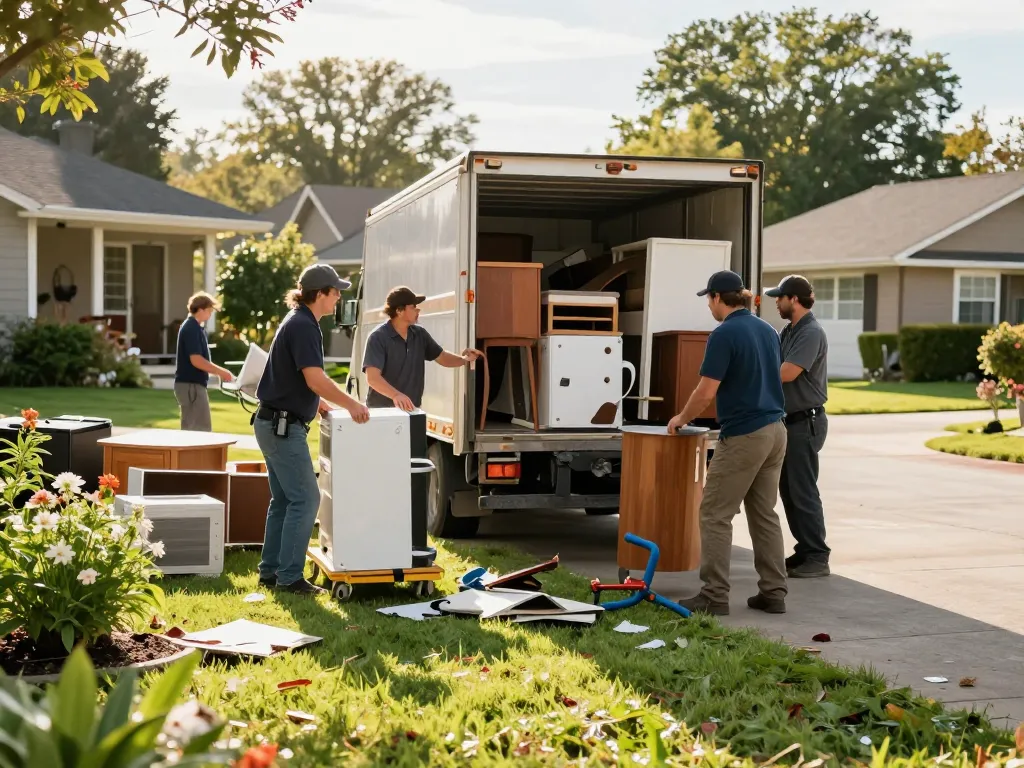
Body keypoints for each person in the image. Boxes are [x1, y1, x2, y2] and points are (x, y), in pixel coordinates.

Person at [667, 270, 789, 616]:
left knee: (714, 514)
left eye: (709, 299)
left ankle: (714, 595)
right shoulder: (767, 329)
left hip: (746, 434)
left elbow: (706, 390)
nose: (708, 306)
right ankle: (774, 592)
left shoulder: (724, 334)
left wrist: (681, 418)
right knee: (764, 514)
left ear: (719, 298)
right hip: (776, 430)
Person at [254, 264, 370, 595]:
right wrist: (352, 405)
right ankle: (289, 578)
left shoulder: (298, 321)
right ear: (320, 294)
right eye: (336, 293)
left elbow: (292, 377)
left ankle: (271, 572)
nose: (338, 299)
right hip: (281, 428)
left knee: (284, 500)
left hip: (272, 423)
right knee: (306, 499)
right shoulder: (304, 326)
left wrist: (317, 404)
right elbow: (314, 378)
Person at [765, 275, 831, 578]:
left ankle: (817, 556)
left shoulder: (811, 332)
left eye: (779, 297)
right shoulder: (789, 330)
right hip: (790, 421)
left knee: (803, 490)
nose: (776, 302)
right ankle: (805, 550)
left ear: (793, 299)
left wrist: (753, 375)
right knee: (789, 491)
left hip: (806, 421)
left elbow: (787, 372)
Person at [362, 285, 483, 410]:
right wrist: (396, 395)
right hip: (383, 411)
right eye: (413, 307)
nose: (418, 311)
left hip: (412, 409)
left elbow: (442, 357)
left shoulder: (419, 334)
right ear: (399, 310)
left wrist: (465, 359)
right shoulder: (378, 338)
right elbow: (373, 378)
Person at [174, 292, 234, 431]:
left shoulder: (197, 328)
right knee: (198, 430)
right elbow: (196, 360)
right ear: (200, 309)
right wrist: (222, 372)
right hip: (190, 386)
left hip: (194, 385)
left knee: (199, 428)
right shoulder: (191, 328)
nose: (210, 314)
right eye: (209, 310)